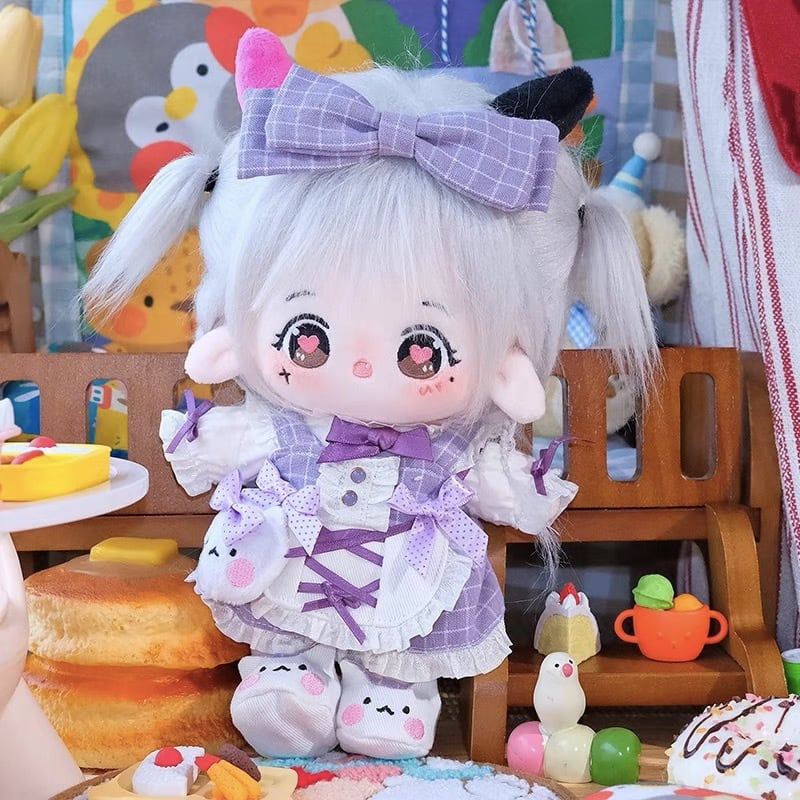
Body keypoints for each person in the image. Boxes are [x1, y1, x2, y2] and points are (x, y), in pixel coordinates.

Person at [83, 28, 656, 760]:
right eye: (307, 337)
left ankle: (391, 692)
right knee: (285, 619)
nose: (357, 369)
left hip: (407, 573)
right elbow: (221, 444)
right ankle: (289, 677)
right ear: (238, 325)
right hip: (294, 570)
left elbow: (500, 484)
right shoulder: (278, 426)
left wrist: (522, 489)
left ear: (506, 362)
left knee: (403, 643)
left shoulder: (458, 443)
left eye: (423, 350)